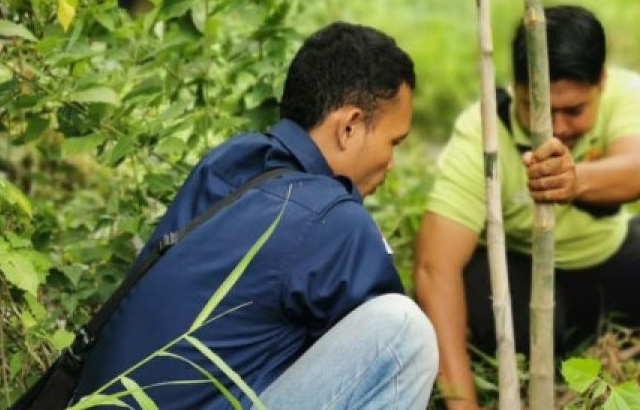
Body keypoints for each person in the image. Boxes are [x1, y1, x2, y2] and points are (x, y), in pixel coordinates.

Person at [73, 23, 438, 410]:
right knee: (402, 333)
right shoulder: (331, 217)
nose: (391, 163)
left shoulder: (227, 164)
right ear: (348, 127)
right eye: (392, 142)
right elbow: (373, 364)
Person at [415, 5, 640, 409]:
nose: (556, 127)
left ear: (601, 83)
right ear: (516, 88)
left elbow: (637, 170)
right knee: (521, 339)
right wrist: (462, 404)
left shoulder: (626, 92)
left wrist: (575, 181)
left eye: (574, 111)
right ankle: (566, 332)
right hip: (519, 263)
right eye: (537, 107)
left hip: (608, 250)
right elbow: (435, 269)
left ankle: (589, 324)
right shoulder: (482, 131)